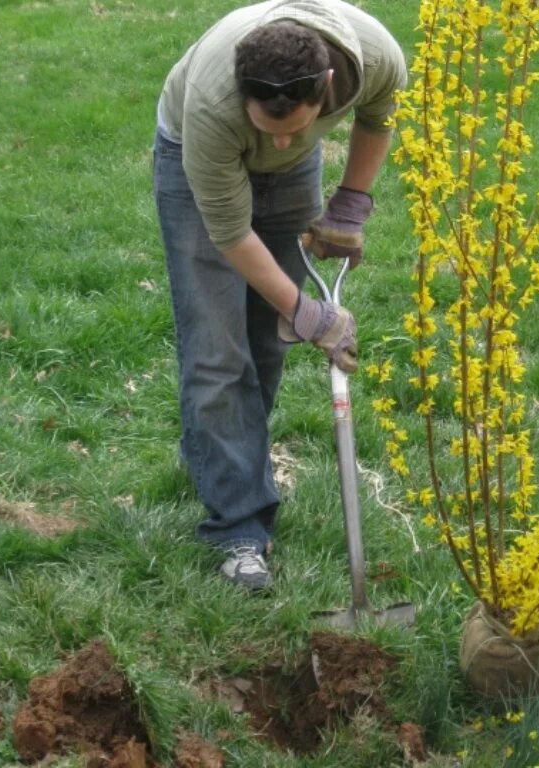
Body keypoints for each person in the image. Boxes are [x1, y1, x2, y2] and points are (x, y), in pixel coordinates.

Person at [152, 0, 406, 591]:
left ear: (327, 85)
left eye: (299, 125)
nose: (288, 138)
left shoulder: (374, 55)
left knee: (267, 344)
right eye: (274, 128)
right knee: (218, 347)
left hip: (290, 182)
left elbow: (378, 115)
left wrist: (351, 203)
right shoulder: (214, 107)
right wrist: (305, 310)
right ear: (244, 98)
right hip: (198, 168)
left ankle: (225, 461)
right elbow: (231, 236)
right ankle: (238, 526)